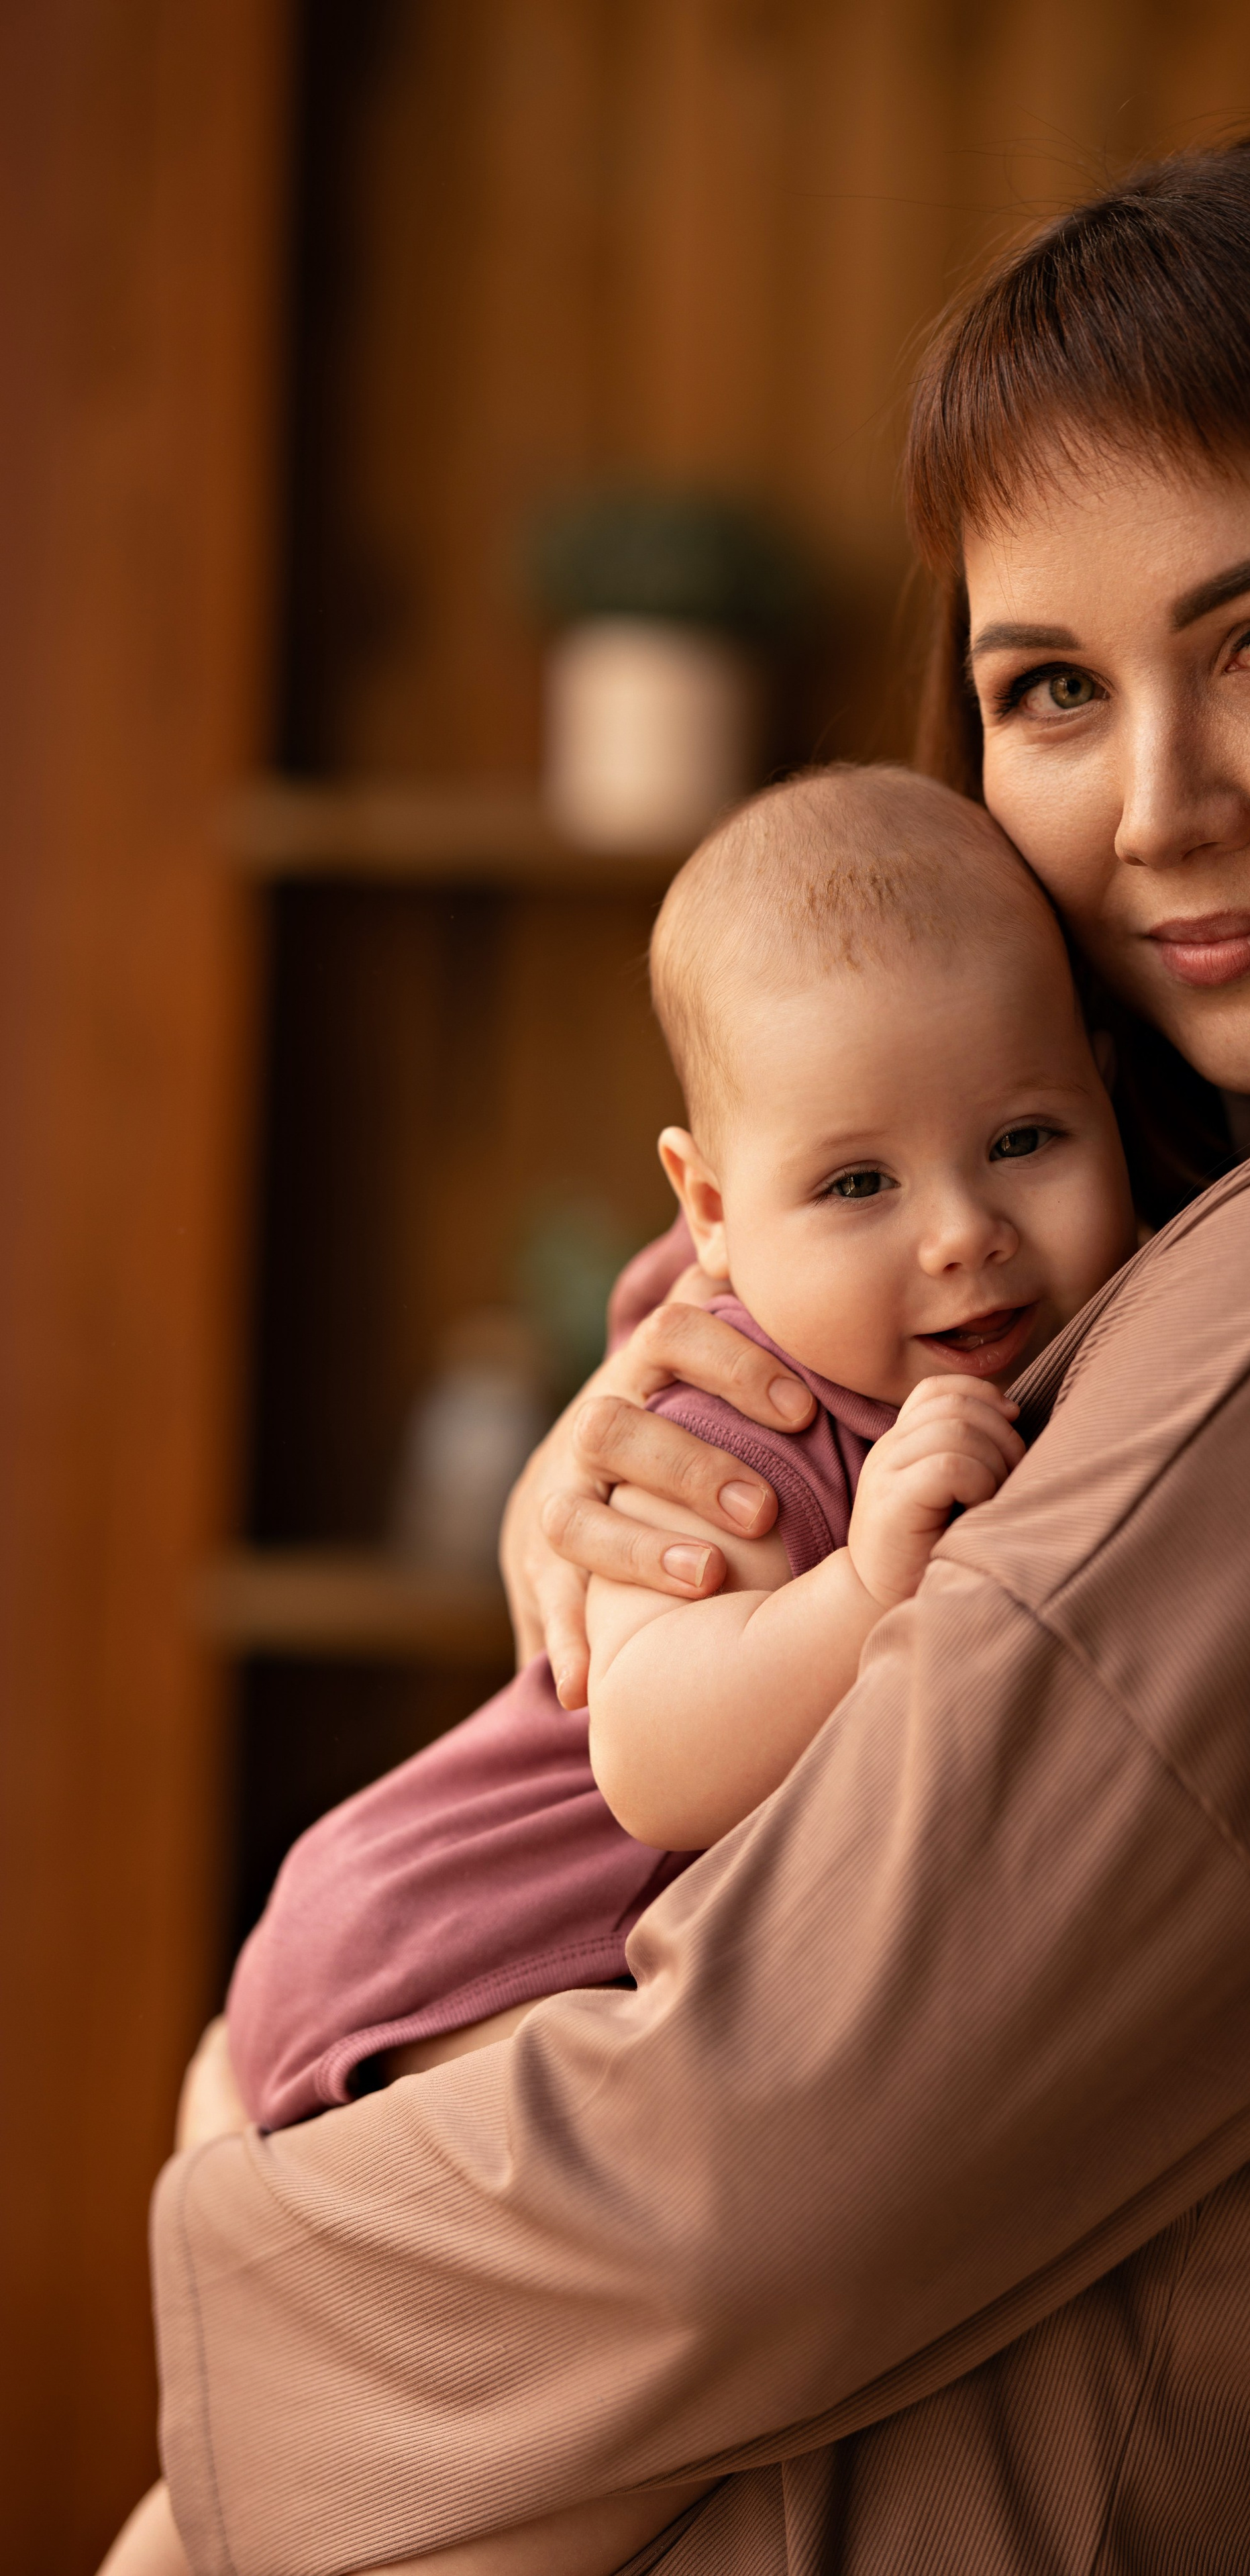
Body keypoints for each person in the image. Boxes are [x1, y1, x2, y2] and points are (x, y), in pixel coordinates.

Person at [147, 137, 1250, 2576]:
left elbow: (738, 2162)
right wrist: (663, 1451)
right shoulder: (1226, 1233)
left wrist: (228, 2186)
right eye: (1051, 691)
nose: (1164, 809)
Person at [100, 766, 1138, 2571]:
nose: (960, 1230)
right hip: (447, 1954)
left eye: (1026, 1141)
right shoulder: (734, 1405)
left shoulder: (1031, 1326)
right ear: (710, 1210)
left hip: (511, 1964)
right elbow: (656, 1755)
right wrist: (863, 1593)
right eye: (859, 1182)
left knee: (267, 2513)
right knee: (457, 2494)